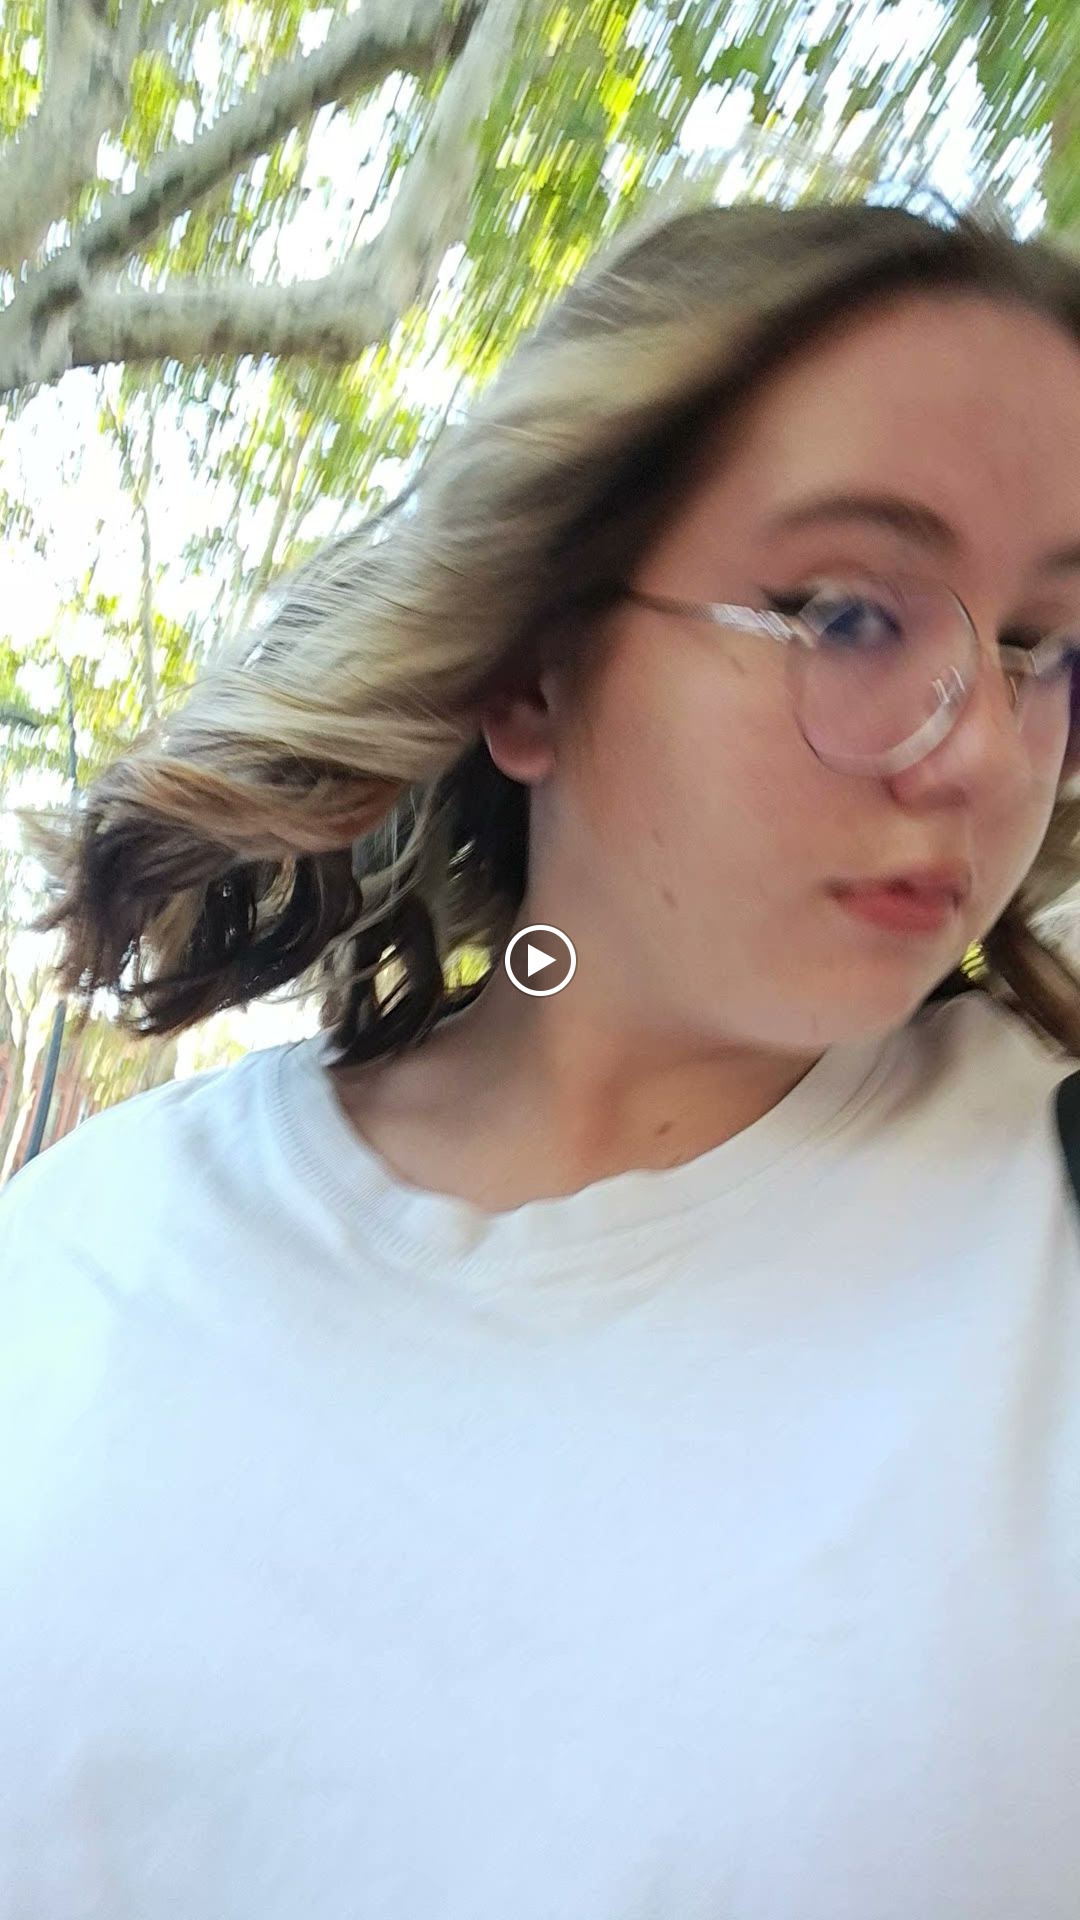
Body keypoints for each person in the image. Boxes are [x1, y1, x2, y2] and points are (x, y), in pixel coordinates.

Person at [4, 193, 1080, 1919]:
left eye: (1048, 648)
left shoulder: (1044, 1241)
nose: (985, 754)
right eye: (852, 618)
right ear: (531, 678)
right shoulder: (83, 1264)